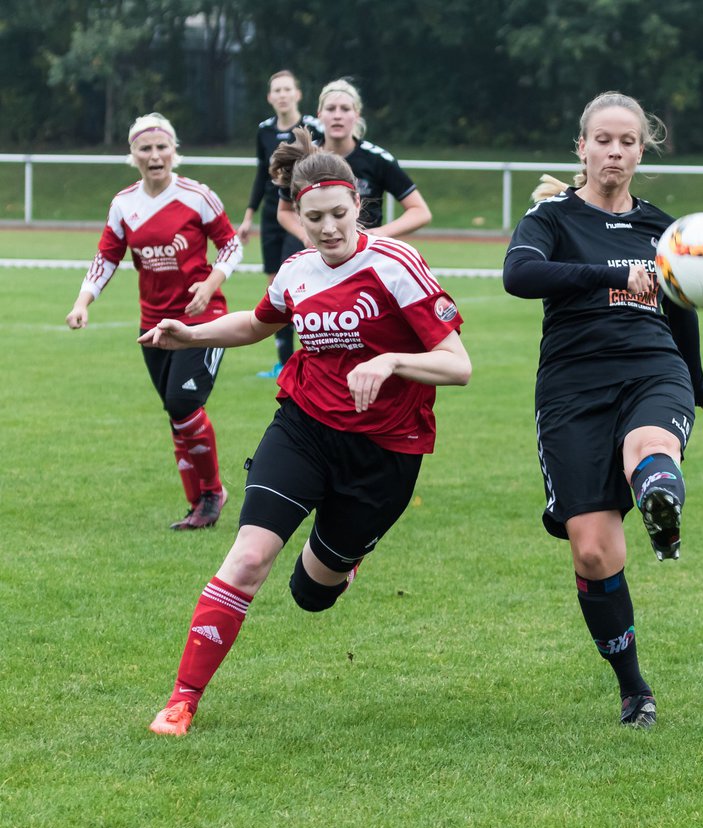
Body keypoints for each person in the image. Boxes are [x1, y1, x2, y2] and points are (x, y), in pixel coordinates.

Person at [142, 127, 471, 736]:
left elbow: (459, 365)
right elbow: (258, 324)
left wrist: (392, 361)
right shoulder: (296, 271)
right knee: (247, 559)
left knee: (311, 594)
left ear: (359, 205)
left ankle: (345, 562)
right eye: (313, 217)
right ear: (296, 214)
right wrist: (190, 333)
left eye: (339, 215)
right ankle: (183, 698)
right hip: (304, 430)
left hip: (385, 453)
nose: (328, 229)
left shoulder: (396, 265)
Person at [502, 92, 703, 727]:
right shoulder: (550, 218)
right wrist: (606, 275)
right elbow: (519, 276)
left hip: (652, 369)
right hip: (572, 389)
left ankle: (662, 504)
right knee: (596, 553)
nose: (615, 152)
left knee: (646, 447)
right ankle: (634, 689)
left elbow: (679, 306)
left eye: (628, 142)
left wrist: (699, 381)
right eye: (604, 140)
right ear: (583, 147)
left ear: (640, 150)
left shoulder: (665, 227)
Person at [66, 112, 243, 530]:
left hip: (203, 320)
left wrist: (210, 283)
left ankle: (213, 493)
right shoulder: (124, 204)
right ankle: (197, 503)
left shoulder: (198, 196)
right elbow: (106, 257)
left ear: (174, 151)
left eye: (162, 147)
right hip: (155, 325)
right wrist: (82, 301)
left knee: (184, 405)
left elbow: (231, 246)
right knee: (175, 413)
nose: (155, 155)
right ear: (133, 155)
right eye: (145, 148)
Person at [236, 69, 323, 379]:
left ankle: (311, 357)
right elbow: (262, 174)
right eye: (277, 90)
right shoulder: (264, 131)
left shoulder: (313, 128)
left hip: (298, 215)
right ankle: (284, 362)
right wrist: (248, 216)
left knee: (296, 284)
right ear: (270, 97)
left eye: (288, 89)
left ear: (297, 94)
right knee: (275, 287)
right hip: (272, 216)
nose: (283, 95)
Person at [276, 78, 431, 244]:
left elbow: (420, 211)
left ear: (356, 115)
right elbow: (284, 211)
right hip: (312, 251)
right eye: (330, 109)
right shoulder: (303, 156)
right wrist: (304, 236)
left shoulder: (377, 159)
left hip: (362, 254)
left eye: (345, 109)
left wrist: (381, 233)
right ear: (320, 115)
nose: (337, 116)